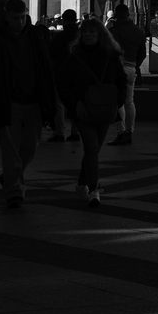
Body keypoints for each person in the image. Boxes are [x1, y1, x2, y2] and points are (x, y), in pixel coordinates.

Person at [0, 0, 59, 209]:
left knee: (29, 148)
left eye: (23, 17)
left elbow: (46, 70)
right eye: (15, 18)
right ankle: (14, 191)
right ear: (6, 17)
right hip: (8, 102)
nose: (20, 22)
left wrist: (50, 104)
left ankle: (10, 177)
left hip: (34, 100)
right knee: (11, 150)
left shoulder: (35, 36)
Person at [59, 18, 127, 207]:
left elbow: (122, 80)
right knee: (91, 147)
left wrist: (117, 100)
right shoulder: (75, 57)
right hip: (83, 111)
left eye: (92, 32)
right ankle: (94, 189)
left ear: (101, 35)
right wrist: (75, 103)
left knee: (93, 150)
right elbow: (63, 84)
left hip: (105, 109)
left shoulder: (111, 56)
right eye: (85, 32)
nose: (88, 35)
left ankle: (81, 184)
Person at [107, 3, 147, 146]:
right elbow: (142, 53)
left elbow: (110, 50)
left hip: (119, 67)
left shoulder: (114, 30)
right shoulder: (138, 31)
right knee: (129, 102)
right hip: (131, 67)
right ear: (128, 15)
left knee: (119, 102)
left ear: (116, 15)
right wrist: (135, 66)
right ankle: (130, 132)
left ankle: (121, 132)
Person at [48, 9, 80, 141]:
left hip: (61, 72)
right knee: (75, 101)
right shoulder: (81, 36)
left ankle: (59, 132)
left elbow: (51, 53)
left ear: (64, 20)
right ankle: (75, 131)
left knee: (59, 103)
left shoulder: (60, 37)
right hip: (78, 72)